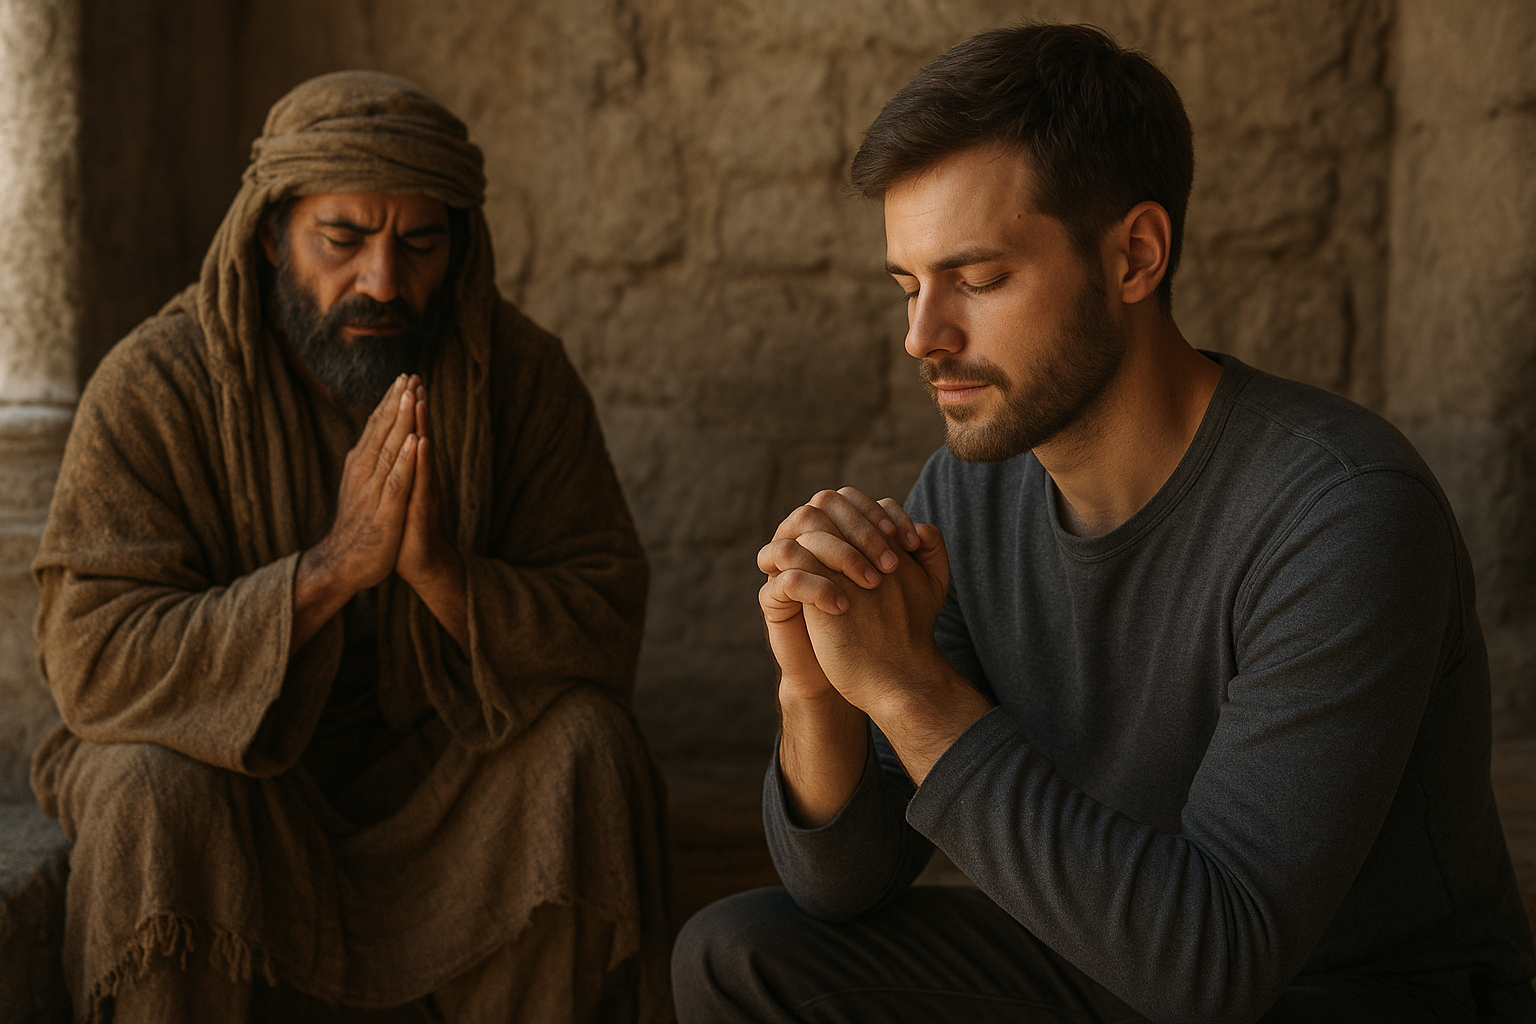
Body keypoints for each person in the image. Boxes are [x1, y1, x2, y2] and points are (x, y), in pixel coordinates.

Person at [672, 23, 1536, 1024]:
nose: (924, 337)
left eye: (979, 280)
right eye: (909, 287)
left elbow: (1216, 963)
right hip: (1112, 956)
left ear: (1133, 256)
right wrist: (816, 687)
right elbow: (842, 883)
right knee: (743, 956)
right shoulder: (970, 492)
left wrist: (908, 688)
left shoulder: (1344, 513)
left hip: (1329, 990)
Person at [30, 71, 670, 1024]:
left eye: (419, 244)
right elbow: (91, 657)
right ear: (268, 233)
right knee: (147, 786)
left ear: (459, 250)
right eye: (343, 239)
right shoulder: (156, 384)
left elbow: (604, 619)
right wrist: (328, 574)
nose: (382, 280)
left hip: (446, 778)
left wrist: (442, 575)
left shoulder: (520, 377)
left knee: (585, 745)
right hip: (243, 787)